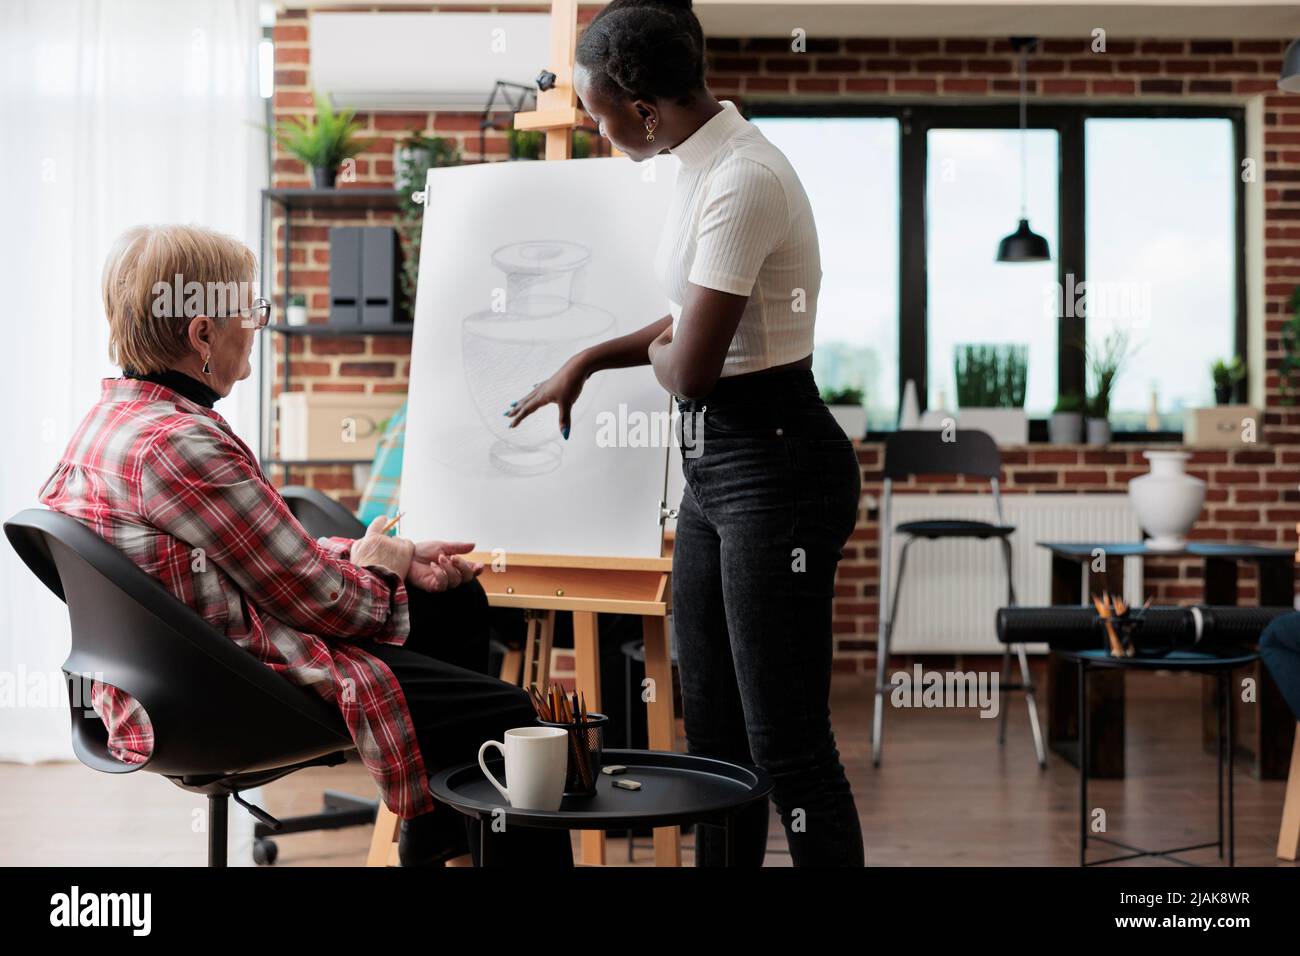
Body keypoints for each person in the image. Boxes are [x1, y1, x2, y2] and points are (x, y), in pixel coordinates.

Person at [40, 223, 571, 867]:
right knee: (512, 716)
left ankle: (432, 840)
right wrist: (380, 571)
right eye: (251, 309)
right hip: (224, 692)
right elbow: (327, 606)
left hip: (160, 680)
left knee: (456, 605)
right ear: (202, 333)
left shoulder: (114, 421)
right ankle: (437, 837)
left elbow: (264, 562)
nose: (259, 323)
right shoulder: (182, 445)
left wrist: (388, 560)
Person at [506, 0, 864, 866]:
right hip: (719, 471)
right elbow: (686, 319)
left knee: (788, 744)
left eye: (595, 111)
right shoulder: (696, 163)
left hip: (776, 464)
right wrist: (587, 360)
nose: (592, 126)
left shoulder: (745, 178)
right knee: (712, 738)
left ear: (641, 107)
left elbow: (694, 365)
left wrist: (668, 350)